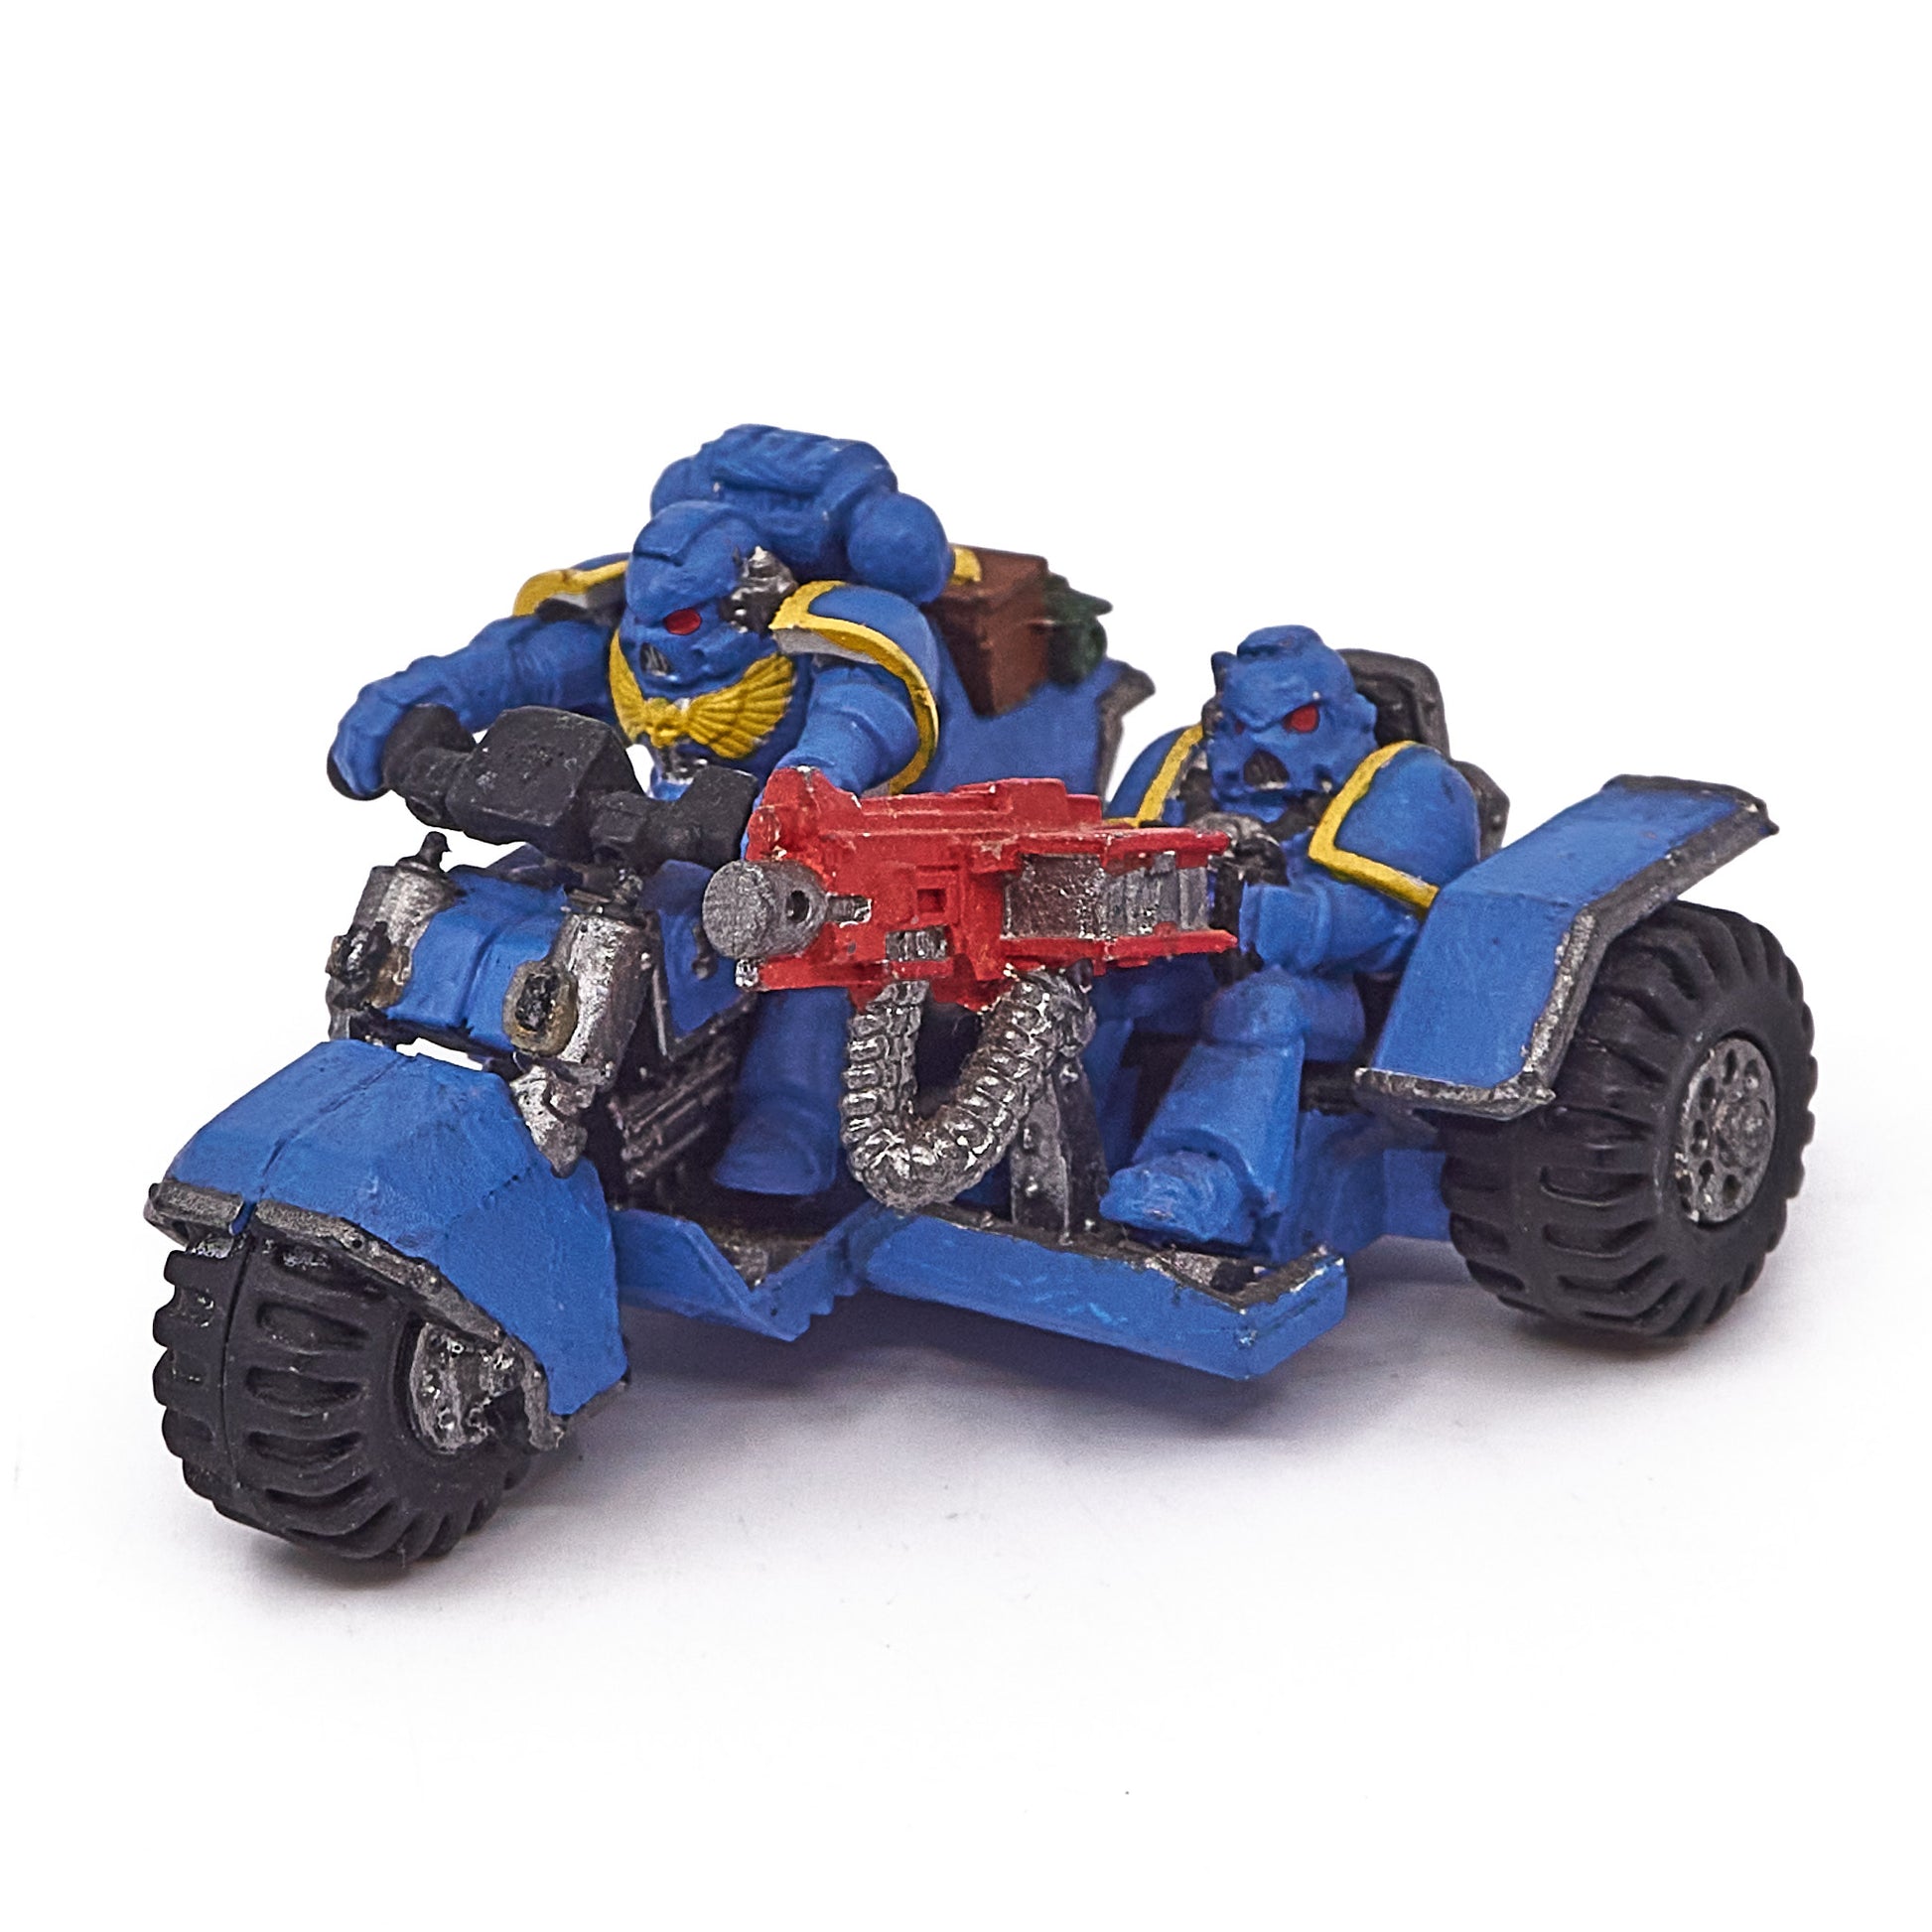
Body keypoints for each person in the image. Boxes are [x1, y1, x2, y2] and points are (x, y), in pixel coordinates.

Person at [1098, 625, 1482, 1247]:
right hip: (1181, 965)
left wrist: (1271, 917)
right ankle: (1030, 1145)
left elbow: (1391, 928)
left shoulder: (1408, 785)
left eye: (1296, 723)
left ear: (1346, 718)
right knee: (1091, 988)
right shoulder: (1178, 769)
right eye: (1235, 726)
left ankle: (1204, 1177)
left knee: (1264, 1007)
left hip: (1328, 996)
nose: (1261, 748)